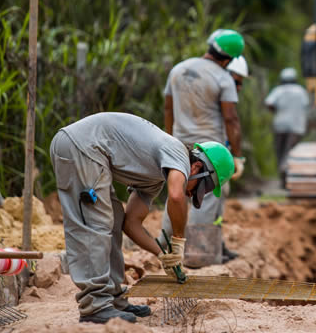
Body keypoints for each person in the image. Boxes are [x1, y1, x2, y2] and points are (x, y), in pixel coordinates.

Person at [49, 112, 233, 324]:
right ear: (197, 167)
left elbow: (131, 223)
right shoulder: (178, 152)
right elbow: (176, 195)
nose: (194, 194)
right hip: (80, 146)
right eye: (203, 187)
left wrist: (162, 255)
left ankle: (114, 299)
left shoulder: (154, 180)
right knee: (96, 221)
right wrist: (178, 241)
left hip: (91, 152)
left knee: (116, 218)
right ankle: (95, 305)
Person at [160, 29, 248, 263]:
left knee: (175, 189)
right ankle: (198, 255)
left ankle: (163, 246)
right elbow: (231, 118)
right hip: (210, 147)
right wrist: (237, 156)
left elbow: (168, 108)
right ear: (229, 59)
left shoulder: (178, 69)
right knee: (207, 196)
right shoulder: (223, 78)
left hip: (178, 143)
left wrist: (169, 139)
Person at [264, 67, 309, 188]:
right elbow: (306, 105)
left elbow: (269, 103)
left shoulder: (278, 90)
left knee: (280, 151)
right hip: (296, 127)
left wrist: (276, 110)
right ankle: (286, 172)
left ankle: (283, 176)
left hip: (280, 125)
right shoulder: (300, 91)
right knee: (289, 152)